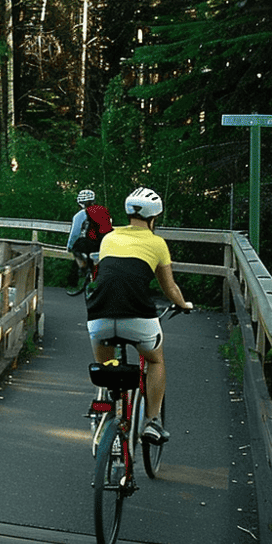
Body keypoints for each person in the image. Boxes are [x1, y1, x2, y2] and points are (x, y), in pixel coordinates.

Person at [85, 186, 193, 444]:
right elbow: (170, 288)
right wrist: (184, 304)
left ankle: (105, 407)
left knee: (106, 367)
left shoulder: (109, 237)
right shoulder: (157, 244)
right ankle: (152, 422)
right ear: (155, 217)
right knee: (155, 361)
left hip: (98, 315)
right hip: (137, 318)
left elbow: (105, 274)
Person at [66, 189, 113, 272]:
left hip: (92, 245)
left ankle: (83, 268)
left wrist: (69, 247)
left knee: (77, 246)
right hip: (105, 244)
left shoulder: (80, 214)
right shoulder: (103, 211)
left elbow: (75, 233)